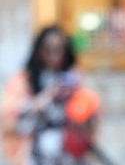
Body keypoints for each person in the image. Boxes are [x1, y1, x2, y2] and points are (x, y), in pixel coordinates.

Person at [1, 25, 98, 165]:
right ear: (39, 50)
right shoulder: (23, 80)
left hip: (70, 156)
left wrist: (77, 102)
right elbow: (9, 121)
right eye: (48, 49)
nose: (54, 55)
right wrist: (42, 100)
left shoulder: (76, 78)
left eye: (59, 49)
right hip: (34, 156)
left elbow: (92, 119)